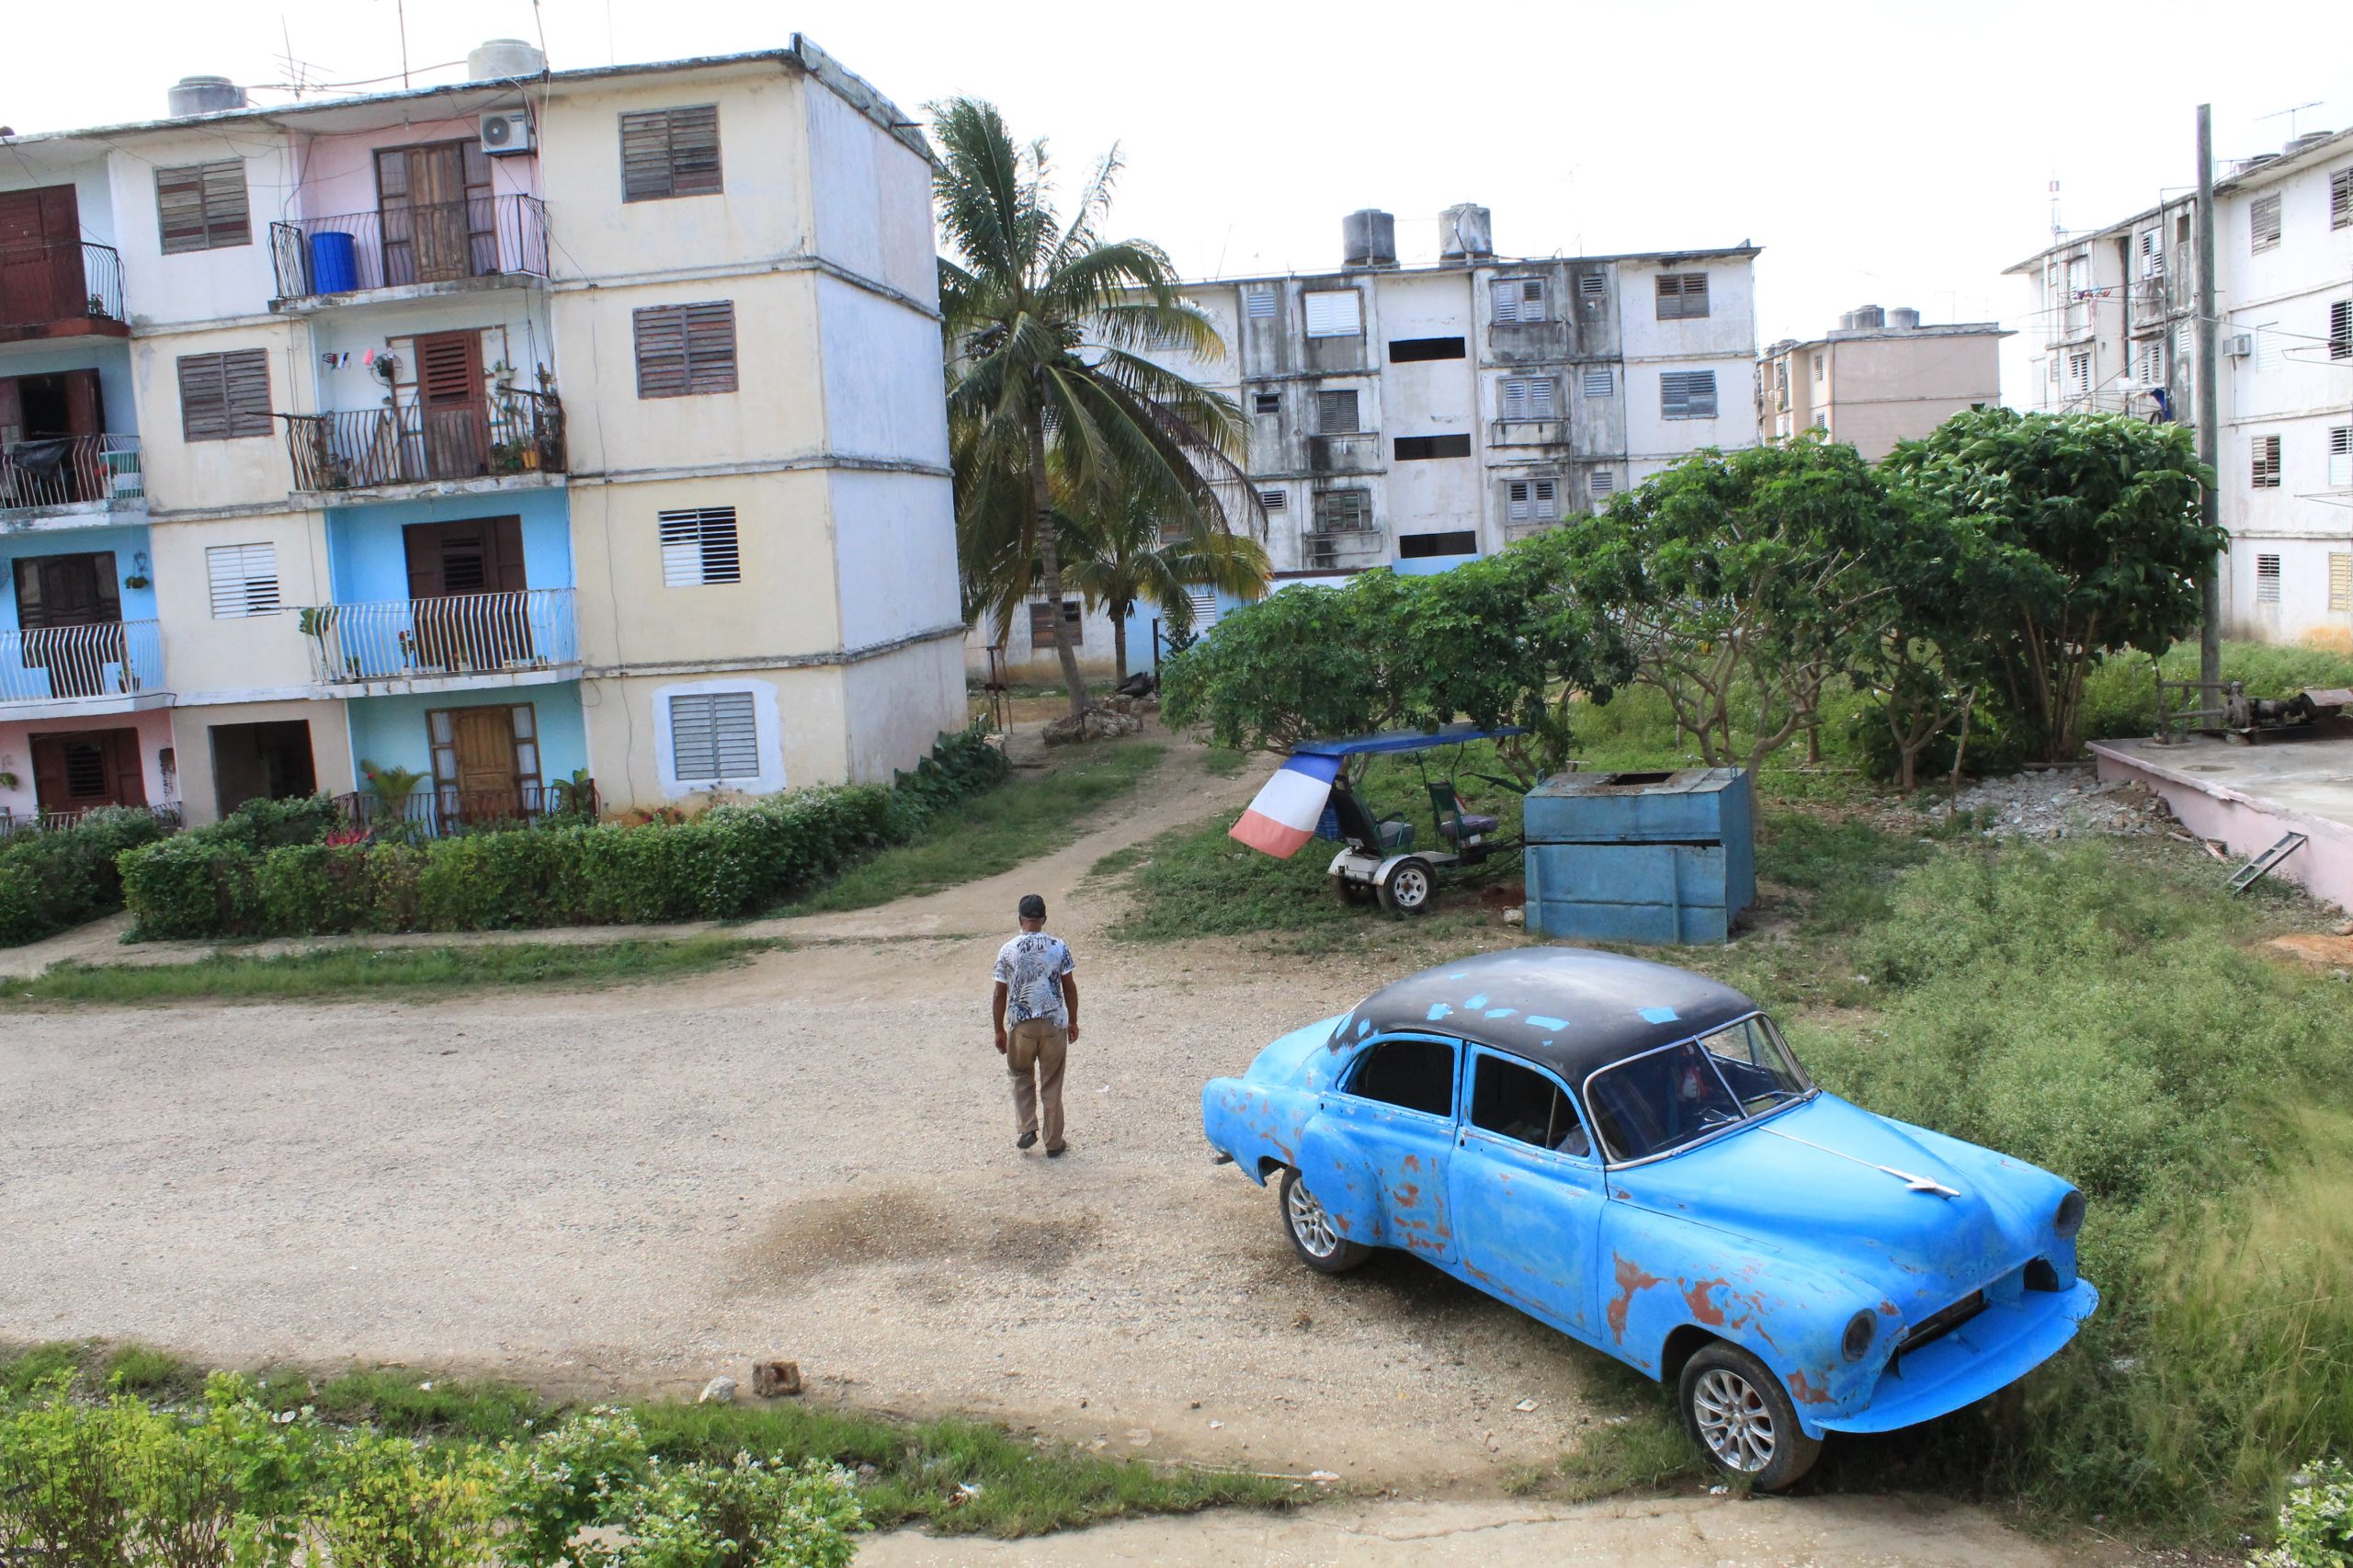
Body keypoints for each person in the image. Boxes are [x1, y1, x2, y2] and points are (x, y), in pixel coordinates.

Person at [992, 892, 1078, 1156]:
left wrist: (998, 1030)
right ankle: (1054, 1143)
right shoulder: (1058, 946)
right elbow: (1069, 987)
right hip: (1053, 1024)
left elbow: (999, 993)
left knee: (1021, 1075)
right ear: (1044, 919)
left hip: (1022, 1025)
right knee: (1052, 1082)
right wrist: (1073, 1021)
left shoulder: (1008, 950)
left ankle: (1028, 1127)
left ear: (1020, 919)